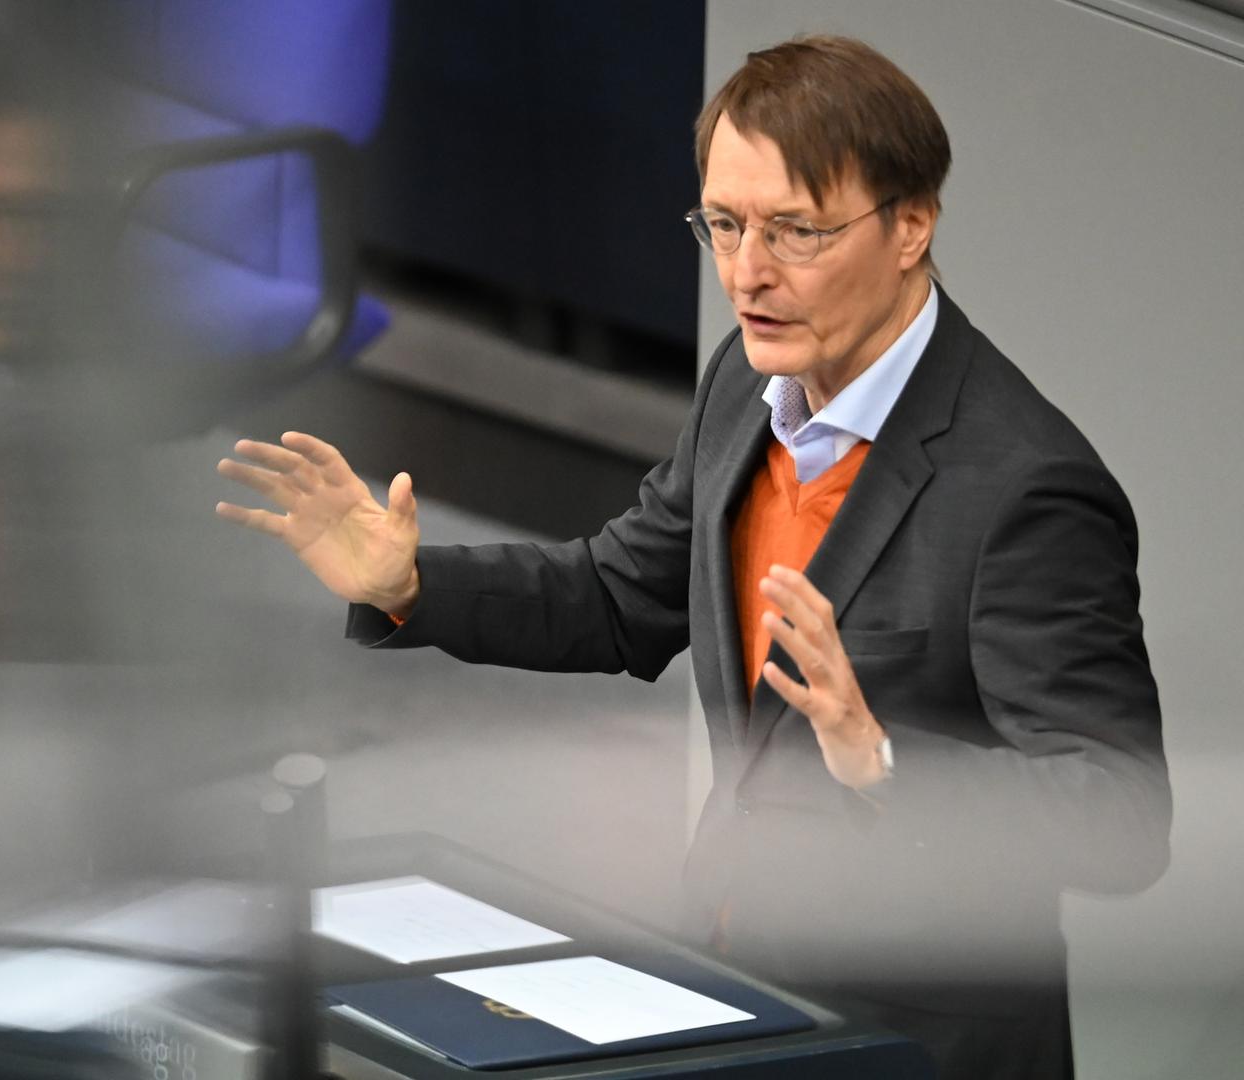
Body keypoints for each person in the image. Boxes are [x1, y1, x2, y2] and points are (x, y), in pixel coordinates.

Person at [215, 35, 1169, 1080]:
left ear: (910, 226)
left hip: (917, 1045)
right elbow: (622, 594)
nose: (747, 273)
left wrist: (884, 764)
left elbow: (1120, 821)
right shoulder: (744, 385)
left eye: (796, 232)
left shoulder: (1025, 489)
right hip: (735, 994)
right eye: (724, 224)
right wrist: (413, 582)